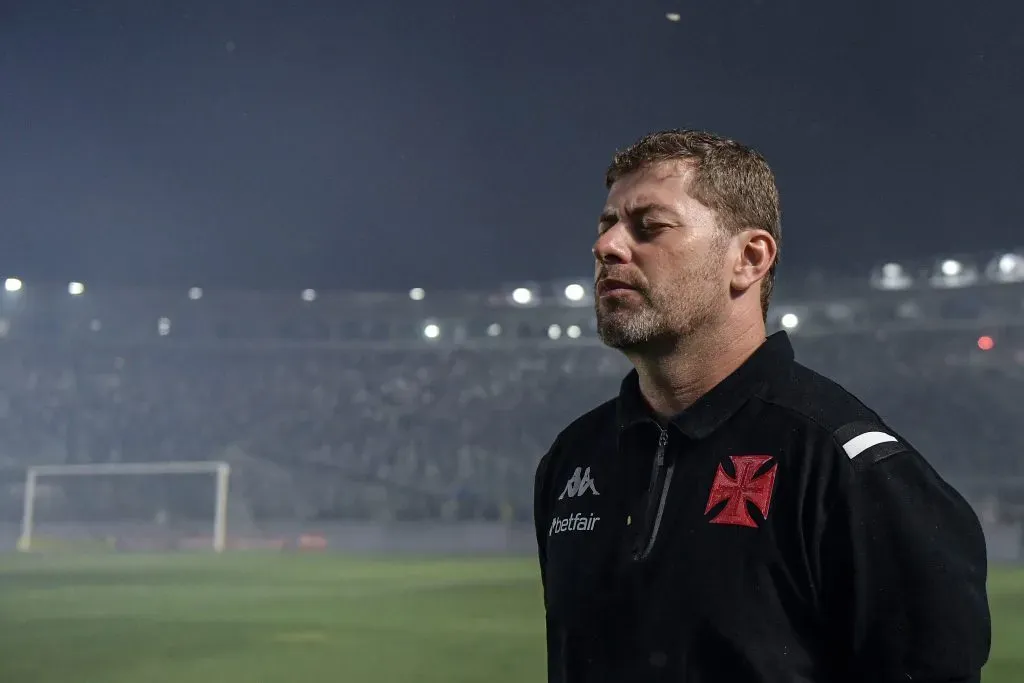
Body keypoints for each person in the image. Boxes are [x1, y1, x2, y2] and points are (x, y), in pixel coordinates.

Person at [533, 129, 991, 682]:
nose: (606, 247)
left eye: (648, 227)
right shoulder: (572, 460)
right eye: (606, 225)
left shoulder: (851, 470)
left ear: (749, 258)